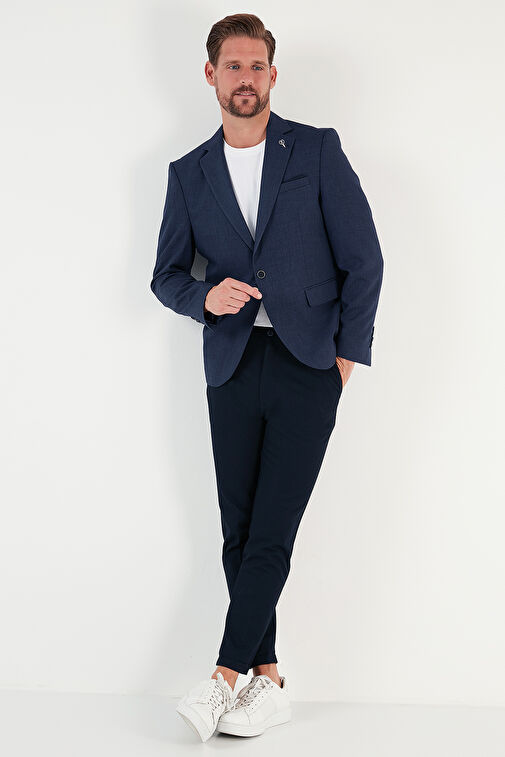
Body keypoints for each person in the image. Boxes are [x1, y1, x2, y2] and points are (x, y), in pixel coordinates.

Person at [150, 13, 384, 742]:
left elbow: (365, 260)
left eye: (257, 66)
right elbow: (164, 275)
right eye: (233, 66)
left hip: (309, 362)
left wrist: (345, 359)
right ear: (211, 75)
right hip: (230, 362)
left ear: (272, 75)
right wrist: (205, 296)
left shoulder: (314, 149)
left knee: (272, 530)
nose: (245, 78)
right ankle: (269, 678)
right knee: (238, 530)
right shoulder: (188, 172)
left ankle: (222, 679)